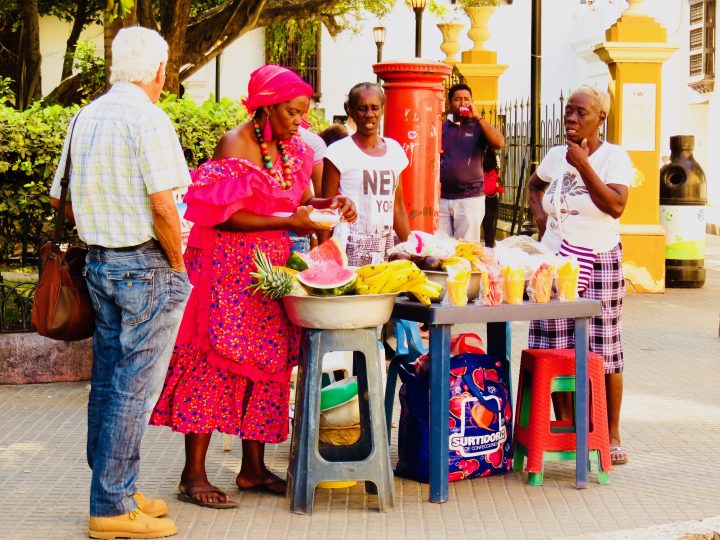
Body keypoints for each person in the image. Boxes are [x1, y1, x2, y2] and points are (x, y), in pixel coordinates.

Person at [150, 64, 356, 508]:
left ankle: (253, 468)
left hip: (270, 271)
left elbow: (301, 204)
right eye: (290, 113)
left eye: (303, 113)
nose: (299, 122)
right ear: (265, 108)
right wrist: (289, 220)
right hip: (225, 267)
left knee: (270, 363)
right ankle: (193, 474)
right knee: (212, 363)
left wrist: (331, 204)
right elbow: (220, 215)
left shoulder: (297, 152)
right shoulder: (235, 143)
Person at [49, 27, 192, 539]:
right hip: (146, 266)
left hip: (100, 264)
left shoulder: (85, 116)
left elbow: (60, 198)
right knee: (134, 389)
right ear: (157, 70)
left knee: (110, 382)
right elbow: (163, 204)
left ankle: (119, 488)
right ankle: (110, 505)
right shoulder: (148, 118)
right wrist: (177, 266)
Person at [526, 84, 633, 466]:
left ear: (600, 118)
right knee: (554, 345)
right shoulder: (555, 156)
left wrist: (584, 164)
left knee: (603, 349)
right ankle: (571, 427)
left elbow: (616, 206)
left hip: (600, 260)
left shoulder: (613, 158)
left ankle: (610, 432)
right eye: (569, 111)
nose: (571, 118)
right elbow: (534, 186)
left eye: (581, 113)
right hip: (555, 263)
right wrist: (541, 219)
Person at [321, 82, 411, 266]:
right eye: (362, 109)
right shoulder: (337, 152)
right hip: (347, 250)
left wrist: (410, 247)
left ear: (382, 110)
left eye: (374, 108)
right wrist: (324, 257)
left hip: (386, 251)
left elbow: (398, 206)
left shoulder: (394, 150)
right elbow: (326, 210)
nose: (369, 114)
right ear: (351, 112)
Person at [440, 83, 504, 242]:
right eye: (457, 99)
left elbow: (499, 143)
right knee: (441, 248)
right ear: (449, 103)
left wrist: (478, 117)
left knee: (466, 250)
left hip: (469, 199)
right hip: (442, 199)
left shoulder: (478, 127)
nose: (462, 103)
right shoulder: (442, 128)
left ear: (472, 102)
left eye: (467, 99)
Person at [481, 145, 502, 247]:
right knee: (489, 227)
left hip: (479, 194)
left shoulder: (477, 156)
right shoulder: (496, 158)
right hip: (492, 195)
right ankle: (489, 248)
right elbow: (498, 175)